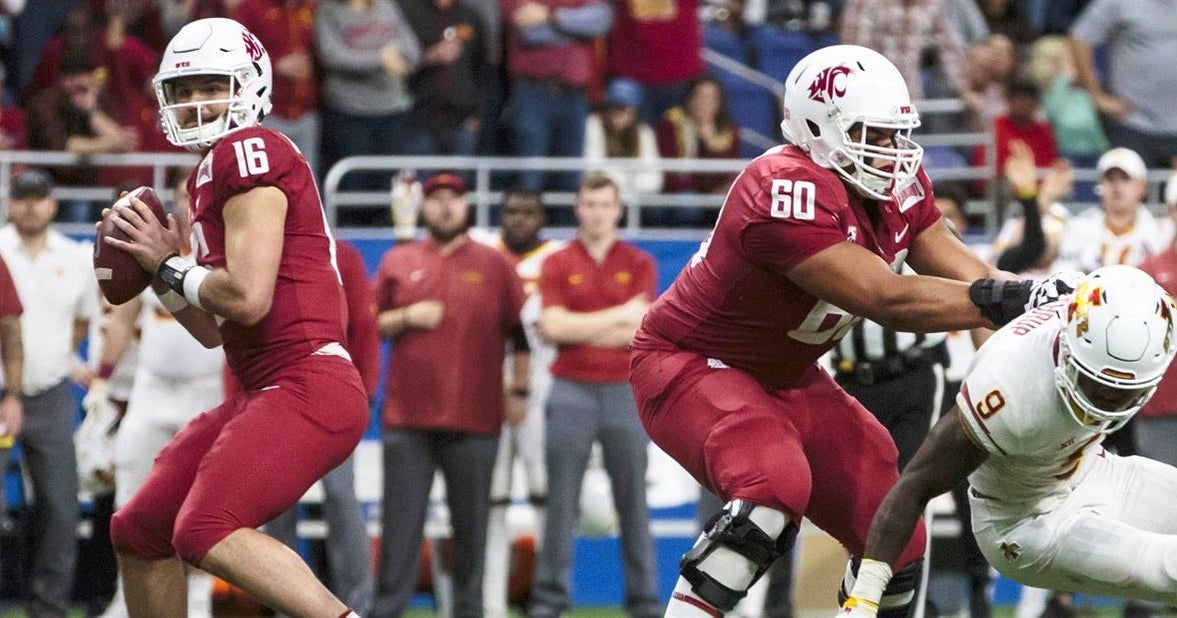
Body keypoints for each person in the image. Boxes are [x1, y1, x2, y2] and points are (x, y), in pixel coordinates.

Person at [628, 44, 1073, 617]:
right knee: (773, 486)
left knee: (896, 534)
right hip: (692, 362)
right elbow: (886, 298)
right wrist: (1012, 296)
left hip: (790, 376)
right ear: (818, 127)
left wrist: (1045, 309)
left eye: (894, 136)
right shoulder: (782, 187)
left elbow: (977, 279)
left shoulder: (895, 187)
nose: (890, 152)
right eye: (873, 134)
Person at [103, 18, 369, 618]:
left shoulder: (249, 150)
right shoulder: (206, 175)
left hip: (307, 381)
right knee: (140, 529)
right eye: (186, 89)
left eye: (211, 86)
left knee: (205, 527)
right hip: (264, 387)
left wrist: (168, 265)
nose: (197, 103)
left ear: (249, 86)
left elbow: (247, 298)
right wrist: (161, 276)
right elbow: (213, 330)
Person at [838, 265, 1177, 611]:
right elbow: (915, 485)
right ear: (1068, 348)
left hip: (1092, 472)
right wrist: (864, 595)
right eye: (1097, 384)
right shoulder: (1007, 387)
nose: (1105, 403)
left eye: (1123, 392)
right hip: (1024, 524)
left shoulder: (1082, 303)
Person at [371, 172, 527, 618]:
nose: (444, 207)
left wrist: (520, 389)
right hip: (408, 419)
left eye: (453, 199)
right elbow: (368, 325)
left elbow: (520, 336)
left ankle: (469, 612)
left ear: (467, 207)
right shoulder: (398, 260)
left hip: (475, 420)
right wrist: (405, 318)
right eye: (436, 199)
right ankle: (386, 611)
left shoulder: (495, 264)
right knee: (399, 534)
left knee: (471, 536)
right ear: (423, 208)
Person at [530, 173, 661, 618]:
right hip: (569, 390)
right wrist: (618, 317)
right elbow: (554, 327)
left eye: (606, 204)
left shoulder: (640, 262)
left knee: (634, 505)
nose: (598, 213)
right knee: (560, 504)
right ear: (577, 208)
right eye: (590, 204)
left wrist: (583, 326)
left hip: (626, 390)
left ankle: (644, 604)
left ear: (618, 210)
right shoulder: (558, 262)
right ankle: (549, 604)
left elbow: (640, 331)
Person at [95, 174, 222, 618]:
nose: (191, 204)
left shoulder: (221, 251)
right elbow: (119, 315)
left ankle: (200, 597)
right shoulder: (152, 250)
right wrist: (101, 380)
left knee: (203, 502)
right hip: (151, 388)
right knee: (130, 492)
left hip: (207, 392)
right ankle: (124, 597)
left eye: (196, 196)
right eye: (184, 197)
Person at [0, 168, 98, 618]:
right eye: (22, 198)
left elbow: (83, 320)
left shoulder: (75, 256)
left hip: (51, 392)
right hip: (2, 393)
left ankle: (49, 607)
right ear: (10, 203)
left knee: (60, 507)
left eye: (38, 198)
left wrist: (59, 356)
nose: (30, 206)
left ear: (53, 204)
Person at [264, 236, 379, 617]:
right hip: (277, 398)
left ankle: (356, 604)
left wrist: (365, 392)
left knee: (342, 499)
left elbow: (363, 324)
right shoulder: (262, 253)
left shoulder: (342, 256)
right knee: (276, 507)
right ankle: (285, 606)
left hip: (330, 397)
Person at [478, 188, 565, 618]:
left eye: (529, 212)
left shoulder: (559, 257)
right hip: (487, 387)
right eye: (511, 211)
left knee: (545, 494)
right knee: (491, 499)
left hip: (544, 390)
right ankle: (491, 602)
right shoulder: (482, 252)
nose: (519, 219)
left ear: (543, 216)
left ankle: (546, 599)